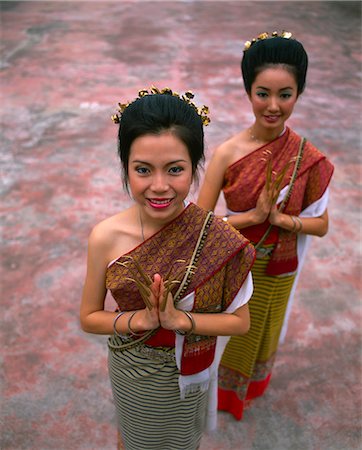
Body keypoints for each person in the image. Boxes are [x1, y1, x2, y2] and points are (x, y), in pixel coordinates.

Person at [80, 86, 255, 450]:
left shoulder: (216, 237)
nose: (159, 187)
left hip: (191, 371)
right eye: (143, 169)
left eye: (175, 169)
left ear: (195, 168)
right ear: (125, 167)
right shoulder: (106, 237)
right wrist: (140, 320)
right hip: (133, 369)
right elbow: (90, 317)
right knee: (134, 437)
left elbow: (240, 322)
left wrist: (181, 322)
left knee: (181, 441)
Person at [197, 31, 334, 420]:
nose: (273, 106)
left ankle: (248, 390)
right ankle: (218, 399)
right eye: (262, 93)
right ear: (248, 90)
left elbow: (321, 225)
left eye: (285, 94)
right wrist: (253, 218)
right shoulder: (227, 153)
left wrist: (282, 220)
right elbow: (200, 225)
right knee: (232, 336)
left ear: (299, 92)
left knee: (266, 330)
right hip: (237, 266)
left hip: (280, 269)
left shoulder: (308, 157)